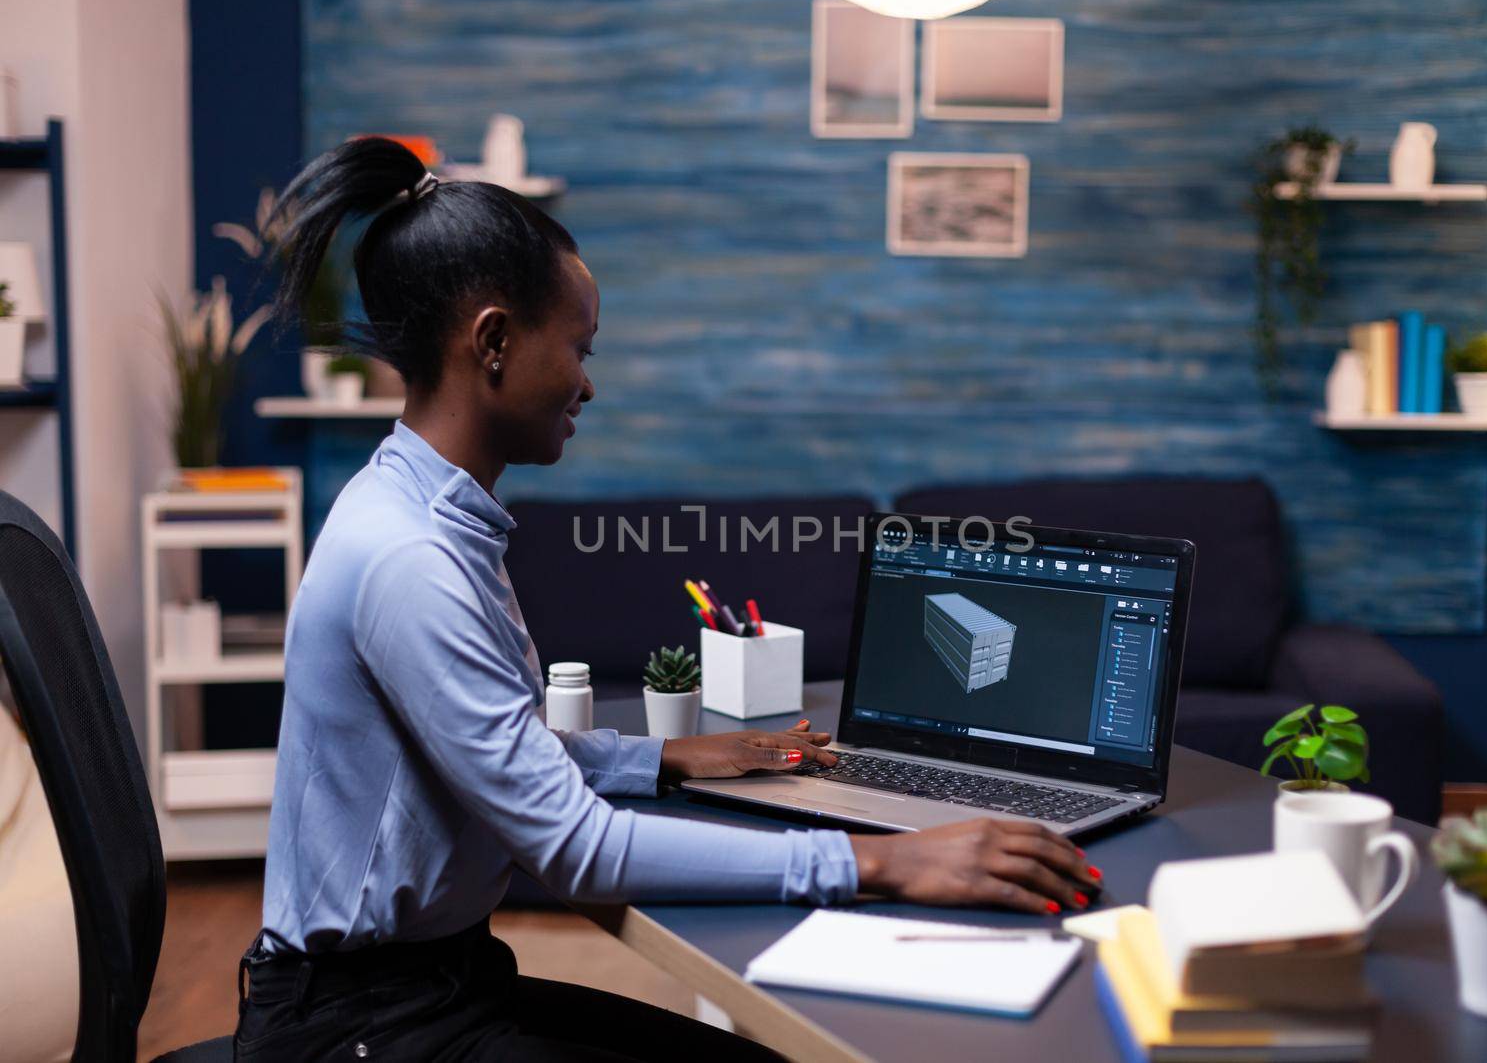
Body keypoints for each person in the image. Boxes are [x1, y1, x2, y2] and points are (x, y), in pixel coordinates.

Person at [239, 137, 1104, 1062]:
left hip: (436, 982)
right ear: (492, 342)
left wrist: (667, 758)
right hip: (357, 1029)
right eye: (577, 347)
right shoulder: (409, 558)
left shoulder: (421, 514)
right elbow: (578, 851)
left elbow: (494, 746)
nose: (588, 382)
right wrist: (883, 858)